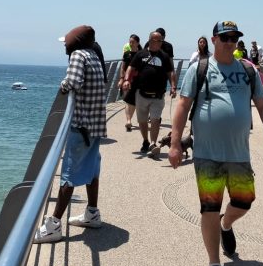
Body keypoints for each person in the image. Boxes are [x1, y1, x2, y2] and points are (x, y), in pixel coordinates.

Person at [169, 20, 263, 266]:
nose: (230, 42)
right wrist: (174, 143)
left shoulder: (247, 71)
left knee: (244, 201)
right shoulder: (200, 69)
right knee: (209, 207)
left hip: (238, 152)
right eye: (225, 37)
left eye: (234, 38)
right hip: (207, 153)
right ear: (214, 39)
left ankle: (226, 224)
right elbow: (183, 105)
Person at [34, 25, 107, 243]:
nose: (64, 45)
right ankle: (92, 213)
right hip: (95, 124)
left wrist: (63, 86)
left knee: (68, 174)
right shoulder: (94, 55)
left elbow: (73, 81)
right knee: (92, 169)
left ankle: (54, 225)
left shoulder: (77, 55)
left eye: (66, 42)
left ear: (75, 41)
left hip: (81, 126)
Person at [122, 31, 177, 158]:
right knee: (142, 121)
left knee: (155, 119)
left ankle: (153, 143)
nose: (161, 43)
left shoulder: (164, 56)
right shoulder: (141, 54)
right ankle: (145, 140)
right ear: (152, 40)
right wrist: (126, 80)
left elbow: (170, 72)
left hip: (158, 95)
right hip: (142, 94)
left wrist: (173, 86)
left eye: (161, 40)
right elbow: (130, 68)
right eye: (159, 41)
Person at [119, 34, 141, 132]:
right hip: (127, 81)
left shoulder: (141, 54)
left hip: (138, 81)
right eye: (130, 42)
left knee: (134, 102)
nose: (131, 44)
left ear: (137, 43)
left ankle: (130, 119)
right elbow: (123, 67)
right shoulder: (126, 54)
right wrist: (121, 79)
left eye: (133, 42)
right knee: (128, 101)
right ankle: (128, 121)